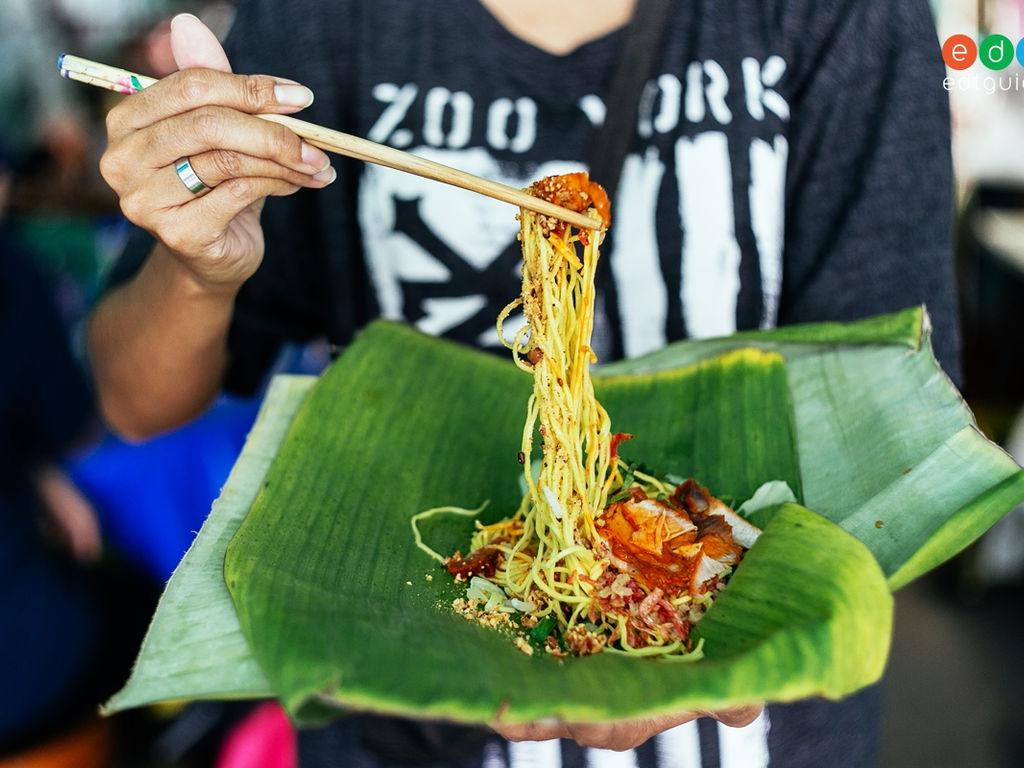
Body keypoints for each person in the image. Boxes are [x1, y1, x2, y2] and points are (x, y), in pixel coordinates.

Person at [89, 1, 959, 765]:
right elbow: (135, 400)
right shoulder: (325, 18)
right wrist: (199, 266)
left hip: (761, 736)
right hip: (413, 716)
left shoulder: (841, 15)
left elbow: (899, 424)